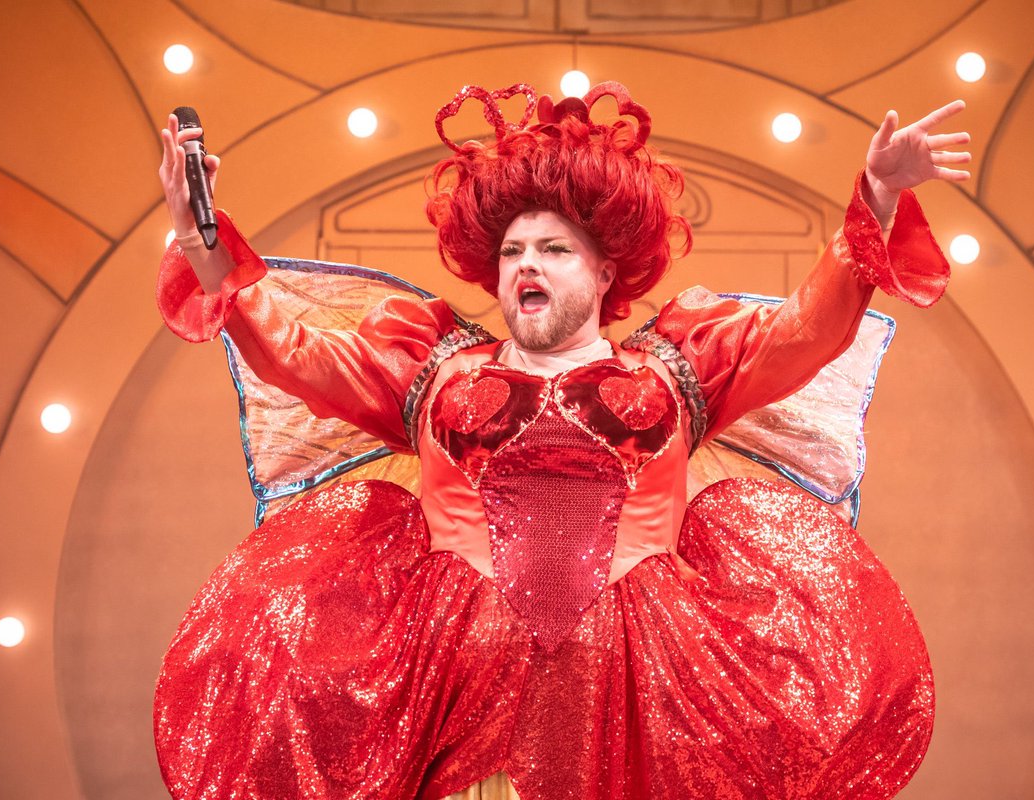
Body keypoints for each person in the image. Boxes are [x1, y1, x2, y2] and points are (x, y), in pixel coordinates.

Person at [153, 82, 970, 799]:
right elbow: (293, 351)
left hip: (641, 698)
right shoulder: (429, 367)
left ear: (607, 271)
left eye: (551, 249)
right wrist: (201, 238)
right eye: (510, 252)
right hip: (462, 699)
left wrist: (877, 195)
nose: (524, 266)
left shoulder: (680, 367)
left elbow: (804, 331)